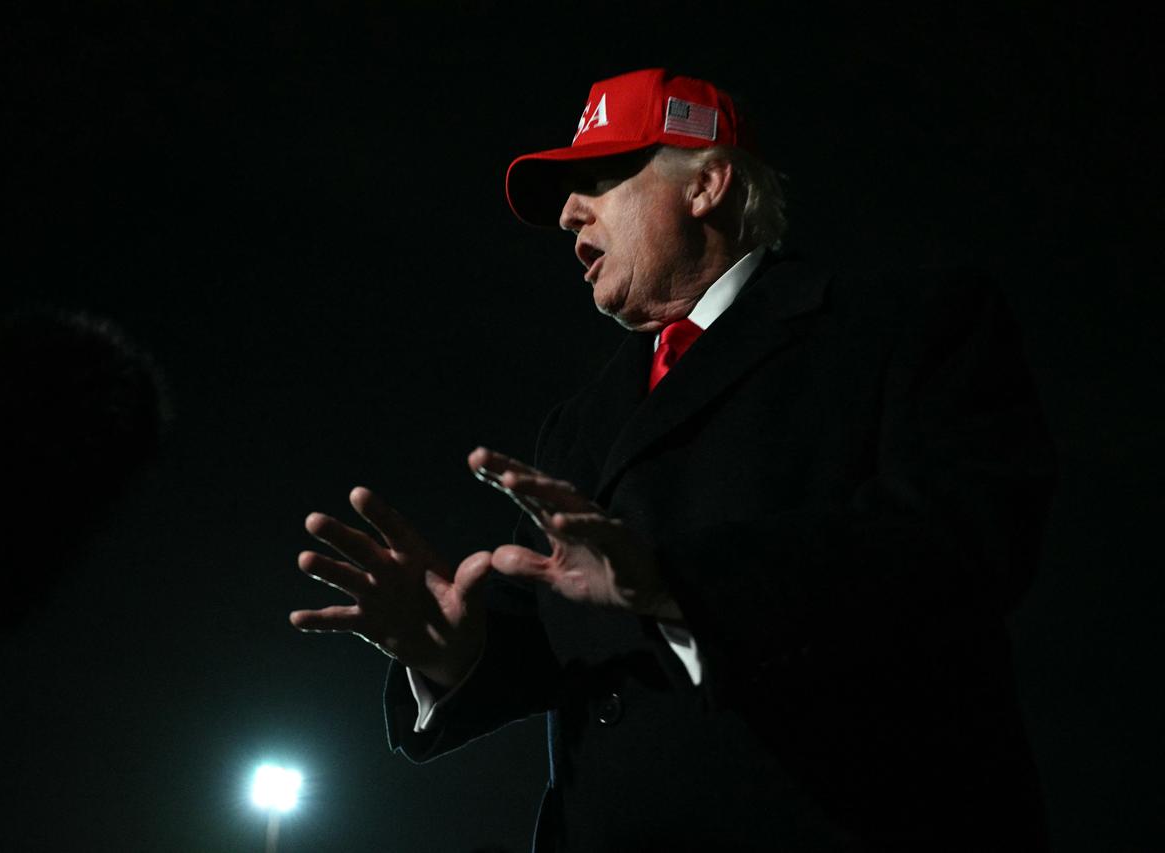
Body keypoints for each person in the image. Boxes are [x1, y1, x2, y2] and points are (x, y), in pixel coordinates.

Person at [291, 68, 1055, 851]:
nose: (566, 214)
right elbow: (579, 635)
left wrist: (676, 586)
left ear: (708, 184)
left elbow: (957, 548)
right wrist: (455, 651)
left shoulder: (906, 327)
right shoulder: (580, 420)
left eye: (598, 179)